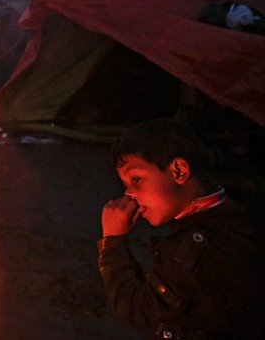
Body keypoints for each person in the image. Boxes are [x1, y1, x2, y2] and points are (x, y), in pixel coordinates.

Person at [99, 118, 265, 338]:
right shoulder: (241, 210)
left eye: (136, 179)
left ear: (179, 171)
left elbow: (138, 309)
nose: (129, 194)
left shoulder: (194, 252)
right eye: (125, 184)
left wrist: (113, 240)